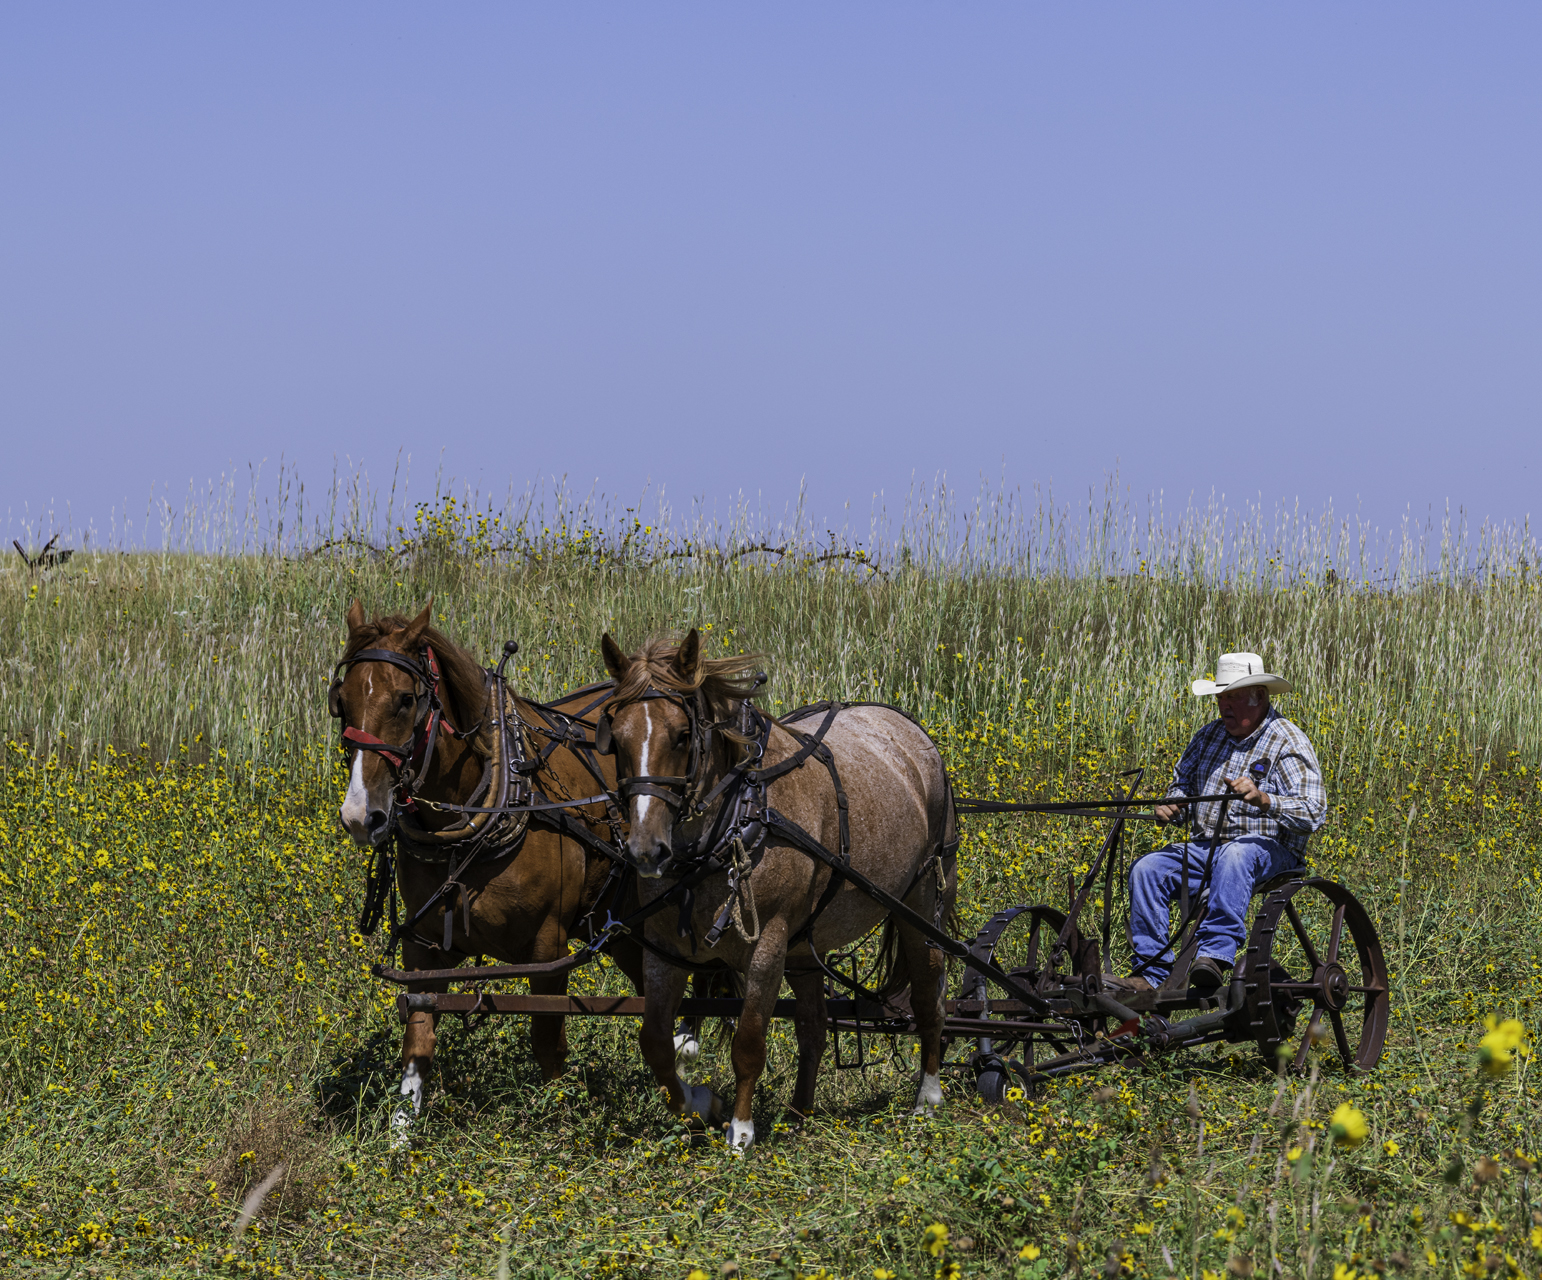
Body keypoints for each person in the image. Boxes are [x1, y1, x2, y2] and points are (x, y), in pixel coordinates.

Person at [1107, 651, 1326, 996]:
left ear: (1259, 697)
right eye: (1221, 697)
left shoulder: (1287, 741)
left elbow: (1313, 812)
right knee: (1147, 869)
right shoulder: (1209, 736)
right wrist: (1171, 804)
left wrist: (1265, 799)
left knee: (1236, 855)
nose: (1224, 706)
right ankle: (1150, 974)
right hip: (1206, 848)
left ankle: (1214, 955)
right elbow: (1182, 785)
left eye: (1233, 697)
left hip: (1271, 852)